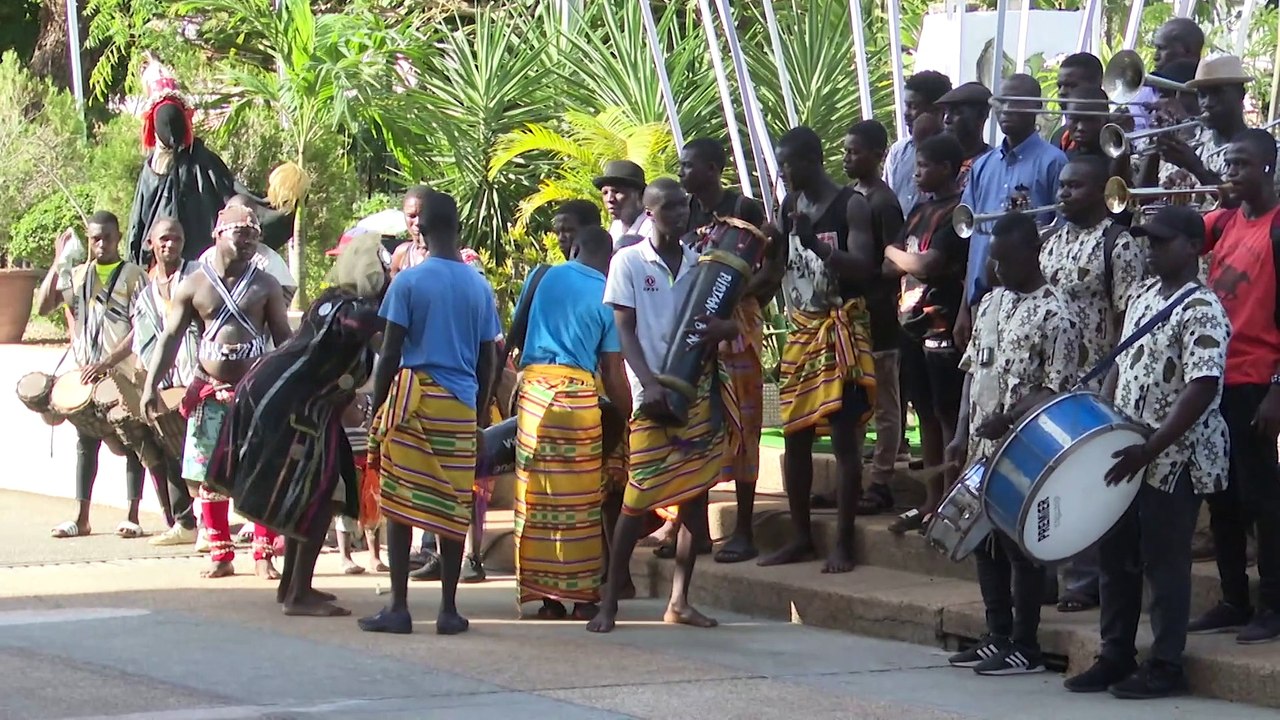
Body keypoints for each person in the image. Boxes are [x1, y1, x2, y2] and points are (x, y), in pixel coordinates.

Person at [1064, 205, 1231, 698]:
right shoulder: (1140, 295)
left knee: (1165, 561)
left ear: (1192, 248)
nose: (1150, 249)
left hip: (1174, 458)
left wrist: (1150, 447)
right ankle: (1115, 654)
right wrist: (1109, 428)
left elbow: (1200, 388)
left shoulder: (1203, 308)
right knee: (1115, 556)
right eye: (1148, 241)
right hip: (1128, 451)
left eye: (1160, 241)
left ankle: (1166, 664)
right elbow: (1121, 362)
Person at [210, 231, 385, 617]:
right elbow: (364, 332)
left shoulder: (332, 299)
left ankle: (294, 585)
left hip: (285, 396)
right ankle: (296, 594)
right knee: (315, 492)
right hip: (290, 405)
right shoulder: (353, 309)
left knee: (321, 490)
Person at [589, 178, 737, 633]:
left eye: (684, 206)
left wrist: (723, 329)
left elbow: (725, 324)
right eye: (670, 207)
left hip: (695, 393)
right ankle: (609, 603)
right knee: (636, 501)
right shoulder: (628, 261)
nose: (681, 213)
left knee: (695, 500)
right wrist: (647, 384)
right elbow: (625, 330)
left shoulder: (700, 265)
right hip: (650, 396)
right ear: (650, 212)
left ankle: (679, 601)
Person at [357, 190, 501, 636]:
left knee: (400, 505)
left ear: (422, 228)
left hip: (412, 402)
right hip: (459, 408)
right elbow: (488, 359)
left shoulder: (409, 283)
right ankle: (449, 610)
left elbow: (390, 352)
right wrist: (478, 416)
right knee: (454, 504)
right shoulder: (478, 285)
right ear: (457, 229)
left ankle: (399, 607)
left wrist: (377, 407)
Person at [945, 213, 1079, 675]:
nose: (996, 270)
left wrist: (1009, 418)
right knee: (983, 542)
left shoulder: (1057, 313)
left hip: (1023, 449)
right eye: (992, 261)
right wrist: (961, 433)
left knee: (1020, 547)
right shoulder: (992, 303)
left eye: (1003, 261)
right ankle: (996, 634)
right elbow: (972, 372)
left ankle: (1026, 645)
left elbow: (1056, 390)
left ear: (1030, 254)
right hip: (980, 446)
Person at [140, 205, 292, 579]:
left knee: (260, 469)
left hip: (253, 393)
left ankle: (262, 554)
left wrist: (295, 383)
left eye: (254, 235)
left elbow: (284, 339)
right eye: (242, 234)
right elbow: (170, 338)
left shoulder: (265, 285)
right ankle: (221, 553)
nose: (250, 242)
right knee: (209, 475)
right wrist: (150, 387)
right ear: (219, 234)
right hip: (209, 392)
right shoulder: (194, 284)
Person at [757, 127, 878, 574]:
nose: (785, 173)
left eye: (791, 163)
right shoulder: (790, 206)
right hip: (803, 329)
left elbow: (865, 268)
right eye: (782, 165)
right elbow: (779, 267)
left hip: (841, 328)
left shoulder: (852, 205)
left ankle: (844, 542)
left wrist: (812, 243)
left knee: (846, 440)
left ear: (814, 159)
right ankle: (801, 537)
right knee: (794, 437)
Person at [1039, 155, 1148, 612]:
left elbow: (1130, 318)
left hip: (1098, 379)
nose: (1064, 193)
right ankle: (1050, 574)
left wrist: (1114, 381)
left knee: (1088, 479)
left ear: (1103, 191)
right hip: (1052, 379)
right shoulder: (1050, 241)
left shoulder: (1117, 244)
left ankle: (1087, 581)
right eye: (1062, 186)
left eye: (1075, 187)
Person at [511, 225, 631, 620]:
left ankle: (546, 599)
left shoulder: (542, 275)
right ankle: (584, 599)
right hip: (578, 398)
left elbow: (515, 333)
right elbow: (613, 370)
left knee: (537, 500)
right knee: (581, 504)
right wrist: (628, 414)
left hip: (533, 396)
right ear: (609, 259)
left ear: (575, 247)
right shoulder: (608, 295)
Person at [1188, 130, 1280, 643]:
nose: (1232, 172)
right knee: (1221, 494)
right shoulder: (1223, 220)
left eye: (1242, 165)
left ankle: (1273, 604)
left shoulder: (1278, 226)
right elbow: (1174, 234)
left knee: (1264, 499)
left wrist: (1277, 387)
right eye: (1228, 164)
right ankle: (1232, 598)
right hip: (1215, 377)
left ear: (1268, 167)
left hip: (1257, 379)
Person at [678, 137, 776, 563]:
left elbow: (772, 266)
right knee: (699, 420)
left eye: (690, 166)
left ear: (714, 168)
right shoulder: (685, 212)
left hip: (736, 326)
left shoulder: (745, 208)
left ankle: (744, 530)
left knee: (744, 423)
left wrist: (734, 300)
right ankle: (693, 530)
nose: (683, 174)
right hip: (699, 327)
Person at [37, 211, 149, 540]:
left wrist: (108, 362)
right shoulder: (79, 274)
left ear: (118, 237)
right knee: (86, 443)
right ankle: (81, 516)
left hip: (122, 373)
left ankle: (132, 515)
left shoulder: (132, 275)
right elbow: (44, 306)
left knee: (132, 444)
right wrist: (59, 261)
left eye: (108, 238)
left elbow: (140, 326)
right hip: (86, 375)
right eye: (95, 238)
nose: (101, 244)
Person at [126, 56, 290, 266]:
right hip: (165, 273)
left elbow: (237, 201)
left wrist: (285, 203)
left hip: (203, 271)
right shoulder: (158, 168)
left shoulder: (201, 163)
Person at [882, 134, 968, 532]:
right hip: (909, 323)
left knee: (948, 413)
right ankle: (932, 500)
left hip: (942, 324)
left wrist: (894, 253)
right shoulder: (918, 209)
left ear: (947, 169)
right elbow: (895, 267)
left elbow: (927, 263)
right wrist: (902, 259)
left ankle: (953, 499)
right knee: (926, 417)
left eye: (923, 166)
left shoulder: (958, 212)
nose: (916, 173)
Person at [954, 74, 1068, 350]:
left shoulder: (1054, 162)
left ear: (1037, 107)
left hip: (1031, 298)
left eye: (1015, 102)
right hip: (985, 298)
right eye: (1001, 102)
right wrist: (965, 304)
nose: (1005, 109)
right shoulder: (982, 166)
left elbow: (1061, 233)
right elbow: (974, 241)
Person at [842, 120, 908, 520]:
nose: (848, 157)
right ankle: (854, 478)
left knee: (885, 401)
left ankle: (881, 478)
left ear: (878, 155)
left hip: (879, 314)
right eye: (845, 151)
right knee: (854, 399)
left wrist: (864, 271)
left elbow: (894, 259)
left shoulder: (883, 202)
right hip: (851, 317)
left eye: (855, 151)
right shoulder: (849, 197)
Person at [131, 218, 200, 546]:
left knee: (206, 448)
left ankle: (215, 526)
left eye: (176, 238)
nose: (169, 245)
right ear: (151, 244)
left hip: (199, 379)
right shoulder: (145, 294)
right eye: (163, 239)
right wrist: (153, 381)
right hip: (166, 384)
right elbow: (144, 341)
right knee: (170, 448)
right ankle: (185, 523)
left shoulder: (199, 277)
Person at [1143, 55, 1252, 198]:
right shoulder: (1191, 144)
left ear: (1241, 94)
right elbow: (1143, 201)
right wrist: (1154, 150)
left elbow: (1239, 205)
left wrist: (1195, 168)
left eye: (1218, 93)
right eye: (1202, 95)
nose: (1207, 102)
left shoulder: (1260, 149)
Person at [197, 195, 298, 306]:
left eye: (249, 214)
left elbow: (285, 296)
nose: (242, 218)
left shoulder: (268, 259)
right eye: (235, 214)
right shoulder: (208, 257)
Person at [884, 71, 953, 214]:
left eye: (913, 106)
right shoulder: (898, 151)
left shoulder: (954, 153)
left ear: (937, 110)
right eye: (906, 106)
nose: (906, 114)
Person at [936, 82, 994, 192]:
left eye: (957, 112)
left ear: (982, 114)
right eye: (946, 112)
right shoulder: (936, 162)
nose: (947, 120)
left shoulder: (991, 166)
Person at [1049, 52, 1105, 149]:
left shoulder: (1112, 136)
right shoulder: (1058, 136)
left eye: (1071, 86)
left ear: (1096, 85)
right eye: (1059, 86)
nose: (1061, 92)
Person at [595, 160, 652, 246]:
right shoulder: (616, 227)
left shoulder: (652, 228)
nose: (610, 199)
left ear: (640, 194)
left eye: (617, 191)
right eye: (605, 193)